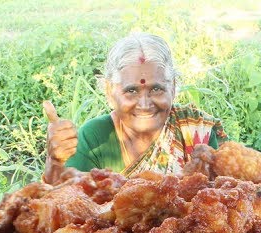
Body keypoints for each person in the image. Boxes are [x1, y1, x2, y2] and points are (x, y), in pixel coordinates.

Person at [42, 32, 227, 183]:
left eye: (156, 89)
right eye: (131, 91)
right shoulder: (94, 137)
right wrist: (55, 163)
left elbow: (230, 193)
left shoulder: (196, 132)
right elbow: (63, 204)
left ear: (173, 86)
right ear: (110, 91)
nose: (145, 104)